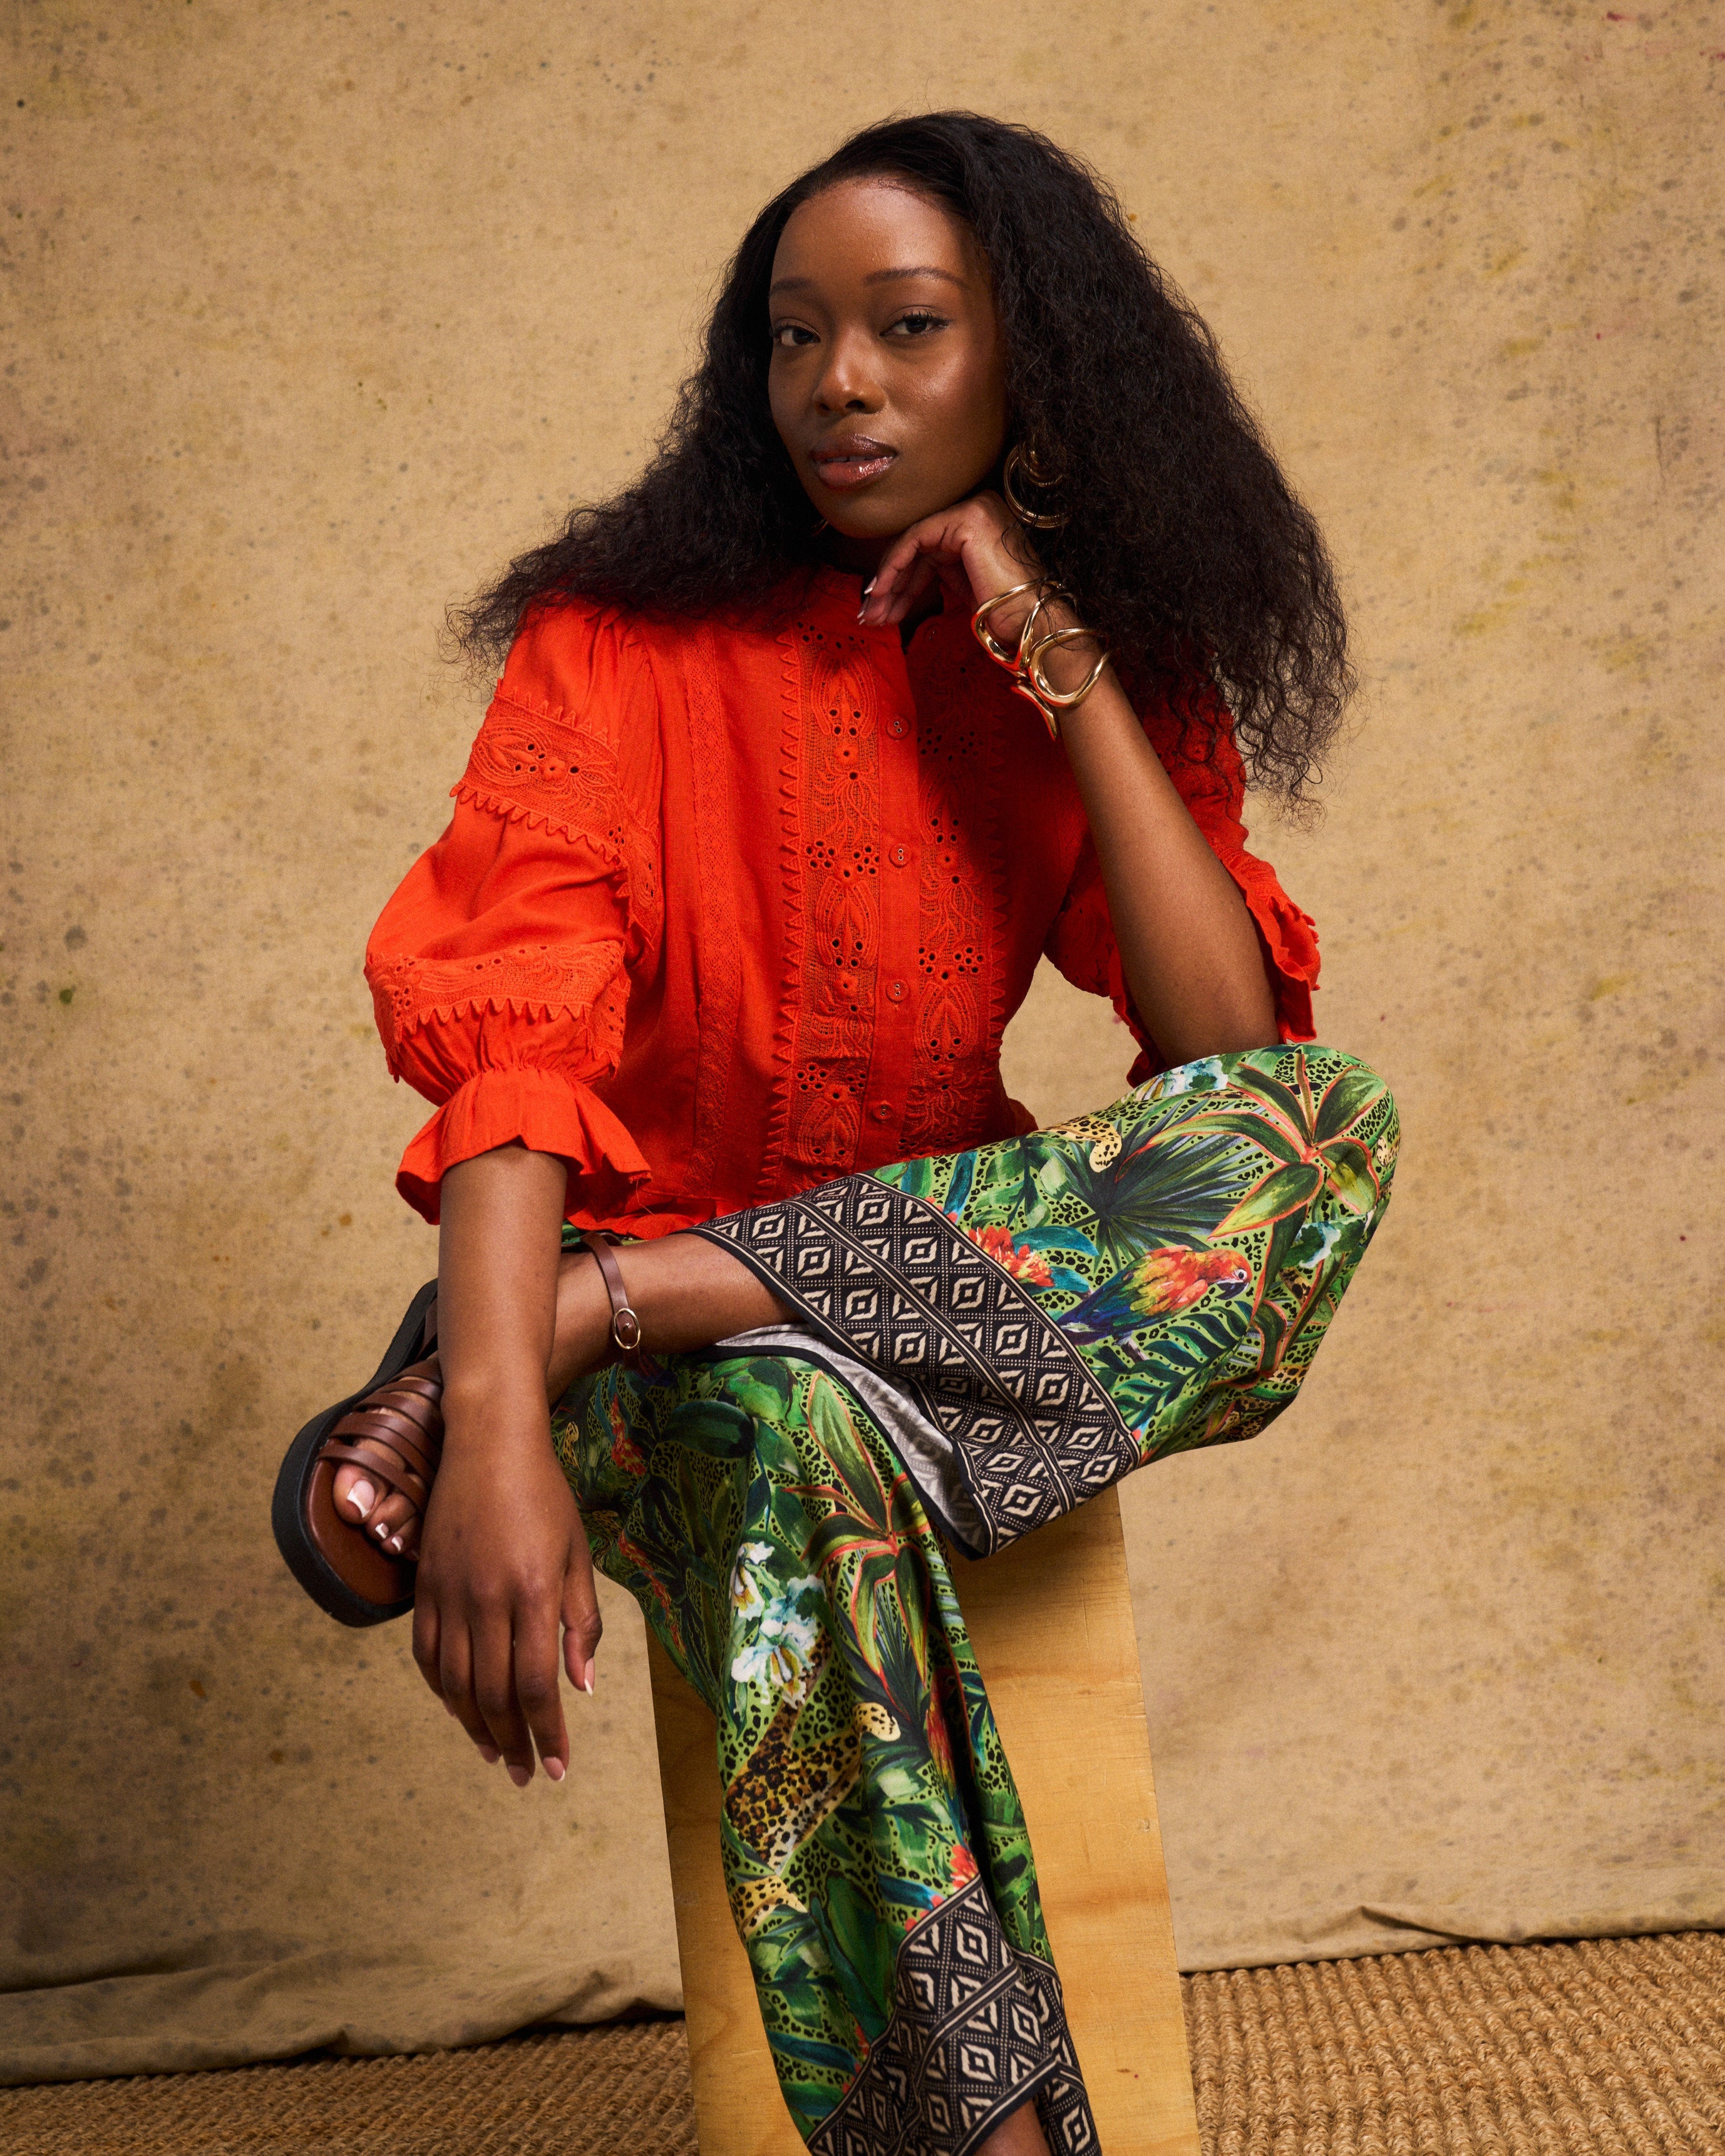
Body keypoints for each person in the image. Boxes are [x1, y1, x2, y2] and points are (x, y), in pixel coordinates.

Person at [272, 112, 1398, 2156]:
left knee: (1317, 1130)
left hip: (886, 1306)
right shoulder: (614, 643)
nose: (839, 382)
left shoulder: (1085, 658)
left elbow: (1220, 1052)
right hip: (662, 1349)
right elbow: (514, 1046)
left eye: (902, 328)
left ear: (1030, 360)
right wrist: (514, 1434)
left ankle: (572, 1320)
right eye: (794, 336)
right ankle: (977, 2139)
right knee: (784, 1429)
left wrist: (1047, 649)